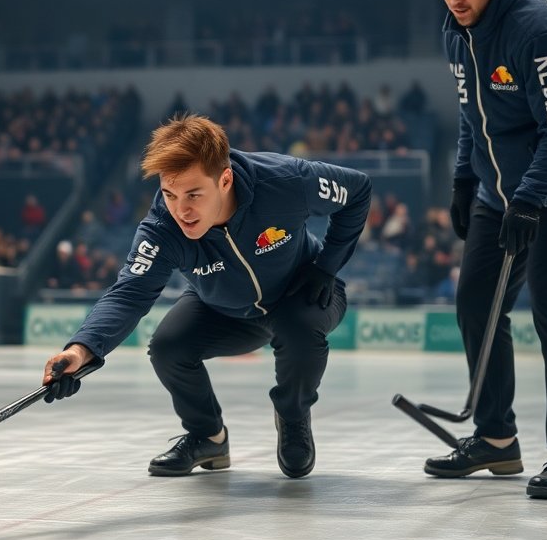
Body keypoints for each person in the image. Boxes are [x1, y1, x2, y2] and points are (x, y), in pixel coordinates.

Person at [40, 114, 370, 479]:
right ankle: (208, 437)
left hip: (303, 291)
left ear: (225, 179)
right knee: (167, 347)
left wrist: (326, 266)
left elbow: (357, 192)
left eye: (194, 194)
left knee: (299, 331)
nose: (182, 210)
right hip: (225, 311)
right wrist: (80, 350)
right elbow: (129, 293)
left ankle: (293, 416)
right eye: (170, 194)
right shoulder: (162, 228)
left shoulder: (286, 180)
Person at [430, 0, 547, 499]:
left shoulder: (539, 32)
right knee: (476, 303)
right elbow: (471, 114)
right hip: (496, 187)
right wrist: (463, 177)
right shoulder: (457, 32)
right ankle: (497, 438)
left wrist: (529, 201)